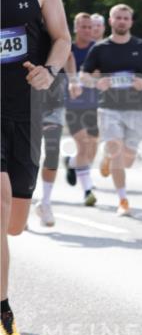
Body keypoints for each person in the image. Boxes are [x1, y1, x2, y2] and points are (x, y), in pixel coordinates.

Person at [0, 0, 70, 335]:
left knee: (15, 223)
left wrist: (49, 69)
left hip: (26, 109)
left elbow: (62, 38)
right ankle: (3, 311)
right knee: (0, 200)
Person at [81, 4, 142, 217]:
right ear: (111, 21)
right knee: (117, 149)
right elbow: (84, 75)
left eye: (126, 18)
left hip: (136, 108)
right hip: (109, 108)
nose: (122, 21)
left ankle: (107, 157)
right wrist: (97, 83)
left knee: (128, 159)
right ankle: (123, 200)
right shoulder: (100, 48)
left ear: (131, 22)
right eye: (118, 17)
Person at [63, 12, 99, 206]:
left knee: (91, 149)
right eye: (83, 27)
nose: (86, 30)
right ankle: (88, 190)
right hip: (73, 105)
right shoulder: (67, 48)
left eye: (89, 27)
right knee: (83, 145)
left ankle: (71, 162)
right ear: (76, 28)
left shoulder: (98, 49)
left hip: (93, 105)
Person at [34, 64, 71, 226]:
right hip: (23, 100)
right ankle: (19, 201)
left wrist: (73, 80)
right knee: (26, 154)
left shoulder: (59, 43)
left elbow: (68, 56)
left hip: (54, 101)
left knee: (52, 151)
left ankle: (45, 202)